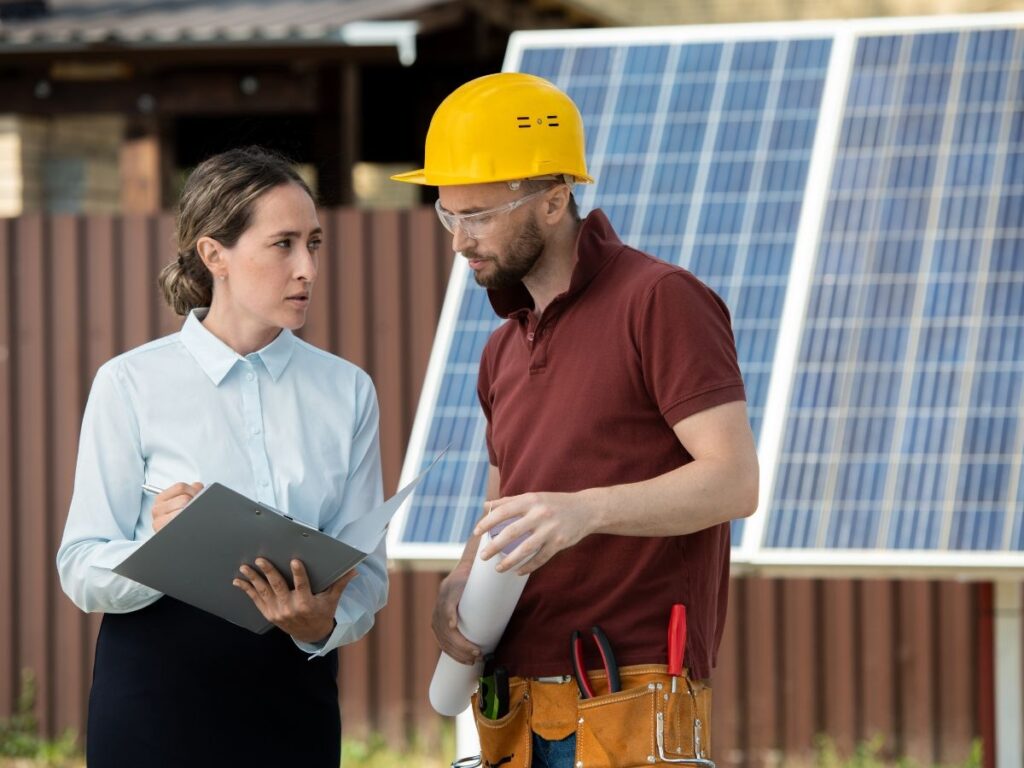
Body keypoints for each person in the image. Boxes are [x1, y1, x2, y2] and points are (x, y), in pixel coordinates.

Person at [393, 73, 759, 767]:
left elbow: (734, 482)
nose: (457, 242)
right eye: (447, 216)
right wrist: (460, 578)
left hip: (631, 697)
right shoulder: (501, 346)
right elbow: (505, 502)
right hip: (515, 707)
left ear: (555, 198)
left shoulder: (661, 301)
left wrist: (583, 512)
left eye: (476, 216)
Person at [56, 146, 388, 768]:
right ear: (215, 256)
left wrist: (320, 627)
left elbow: (367, 574)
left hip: (295, 704)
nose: (307, 268)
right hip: (154, 707)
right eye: (283, 244)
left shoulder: (348, 391)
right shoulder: (130, 384)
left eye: (314, 243)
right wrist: (158, 551)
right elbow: (80, 568)